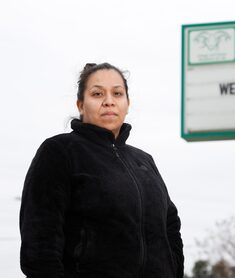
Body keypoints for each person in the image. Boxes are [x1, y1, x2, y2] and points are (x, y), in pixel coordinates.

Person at [19, 63, 184, 278]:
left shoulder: (144, 161)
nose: (109, 101)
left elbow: (170, 225)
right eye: (97, 94)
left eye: (117, 93)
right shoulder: (59, 152)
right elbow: (39, 243)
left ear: (127, 103)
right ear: (80, 105)